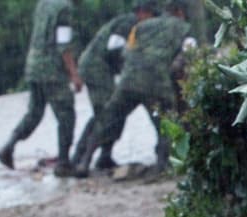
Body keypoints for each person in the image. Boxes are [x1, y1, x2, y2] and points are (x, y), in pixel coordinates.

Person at [72, 0, 196, 177]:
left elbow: (126, 51)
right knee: (165, 121)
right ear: (181, 12)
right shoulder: (184, 28)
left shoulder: (140, 26)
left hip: (129, 79)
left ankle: (84, 161)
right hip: (156, 82)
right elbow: (188, 54)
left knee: (107, 118)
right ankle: (162, 165)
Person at [0, 0, 83, 176]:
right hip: (51, 70)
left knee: (34, 113)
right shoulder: (64, 8)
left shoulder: (43, 3)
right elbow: (63, 44)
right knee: (66, 115)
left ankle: (8, 146)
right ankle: (64, 162)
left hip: (34, 65)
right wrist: (74, 73)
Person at [70, 0, 160, 172]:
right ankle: (80, 157)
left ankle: (103, 155)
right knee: (105, 112)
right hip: (96, 67)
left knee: (111, 112)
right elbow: (114, 49)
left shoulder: (133, 24)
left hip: (102, 68)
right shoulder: (128, 23)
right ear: (143, 12)